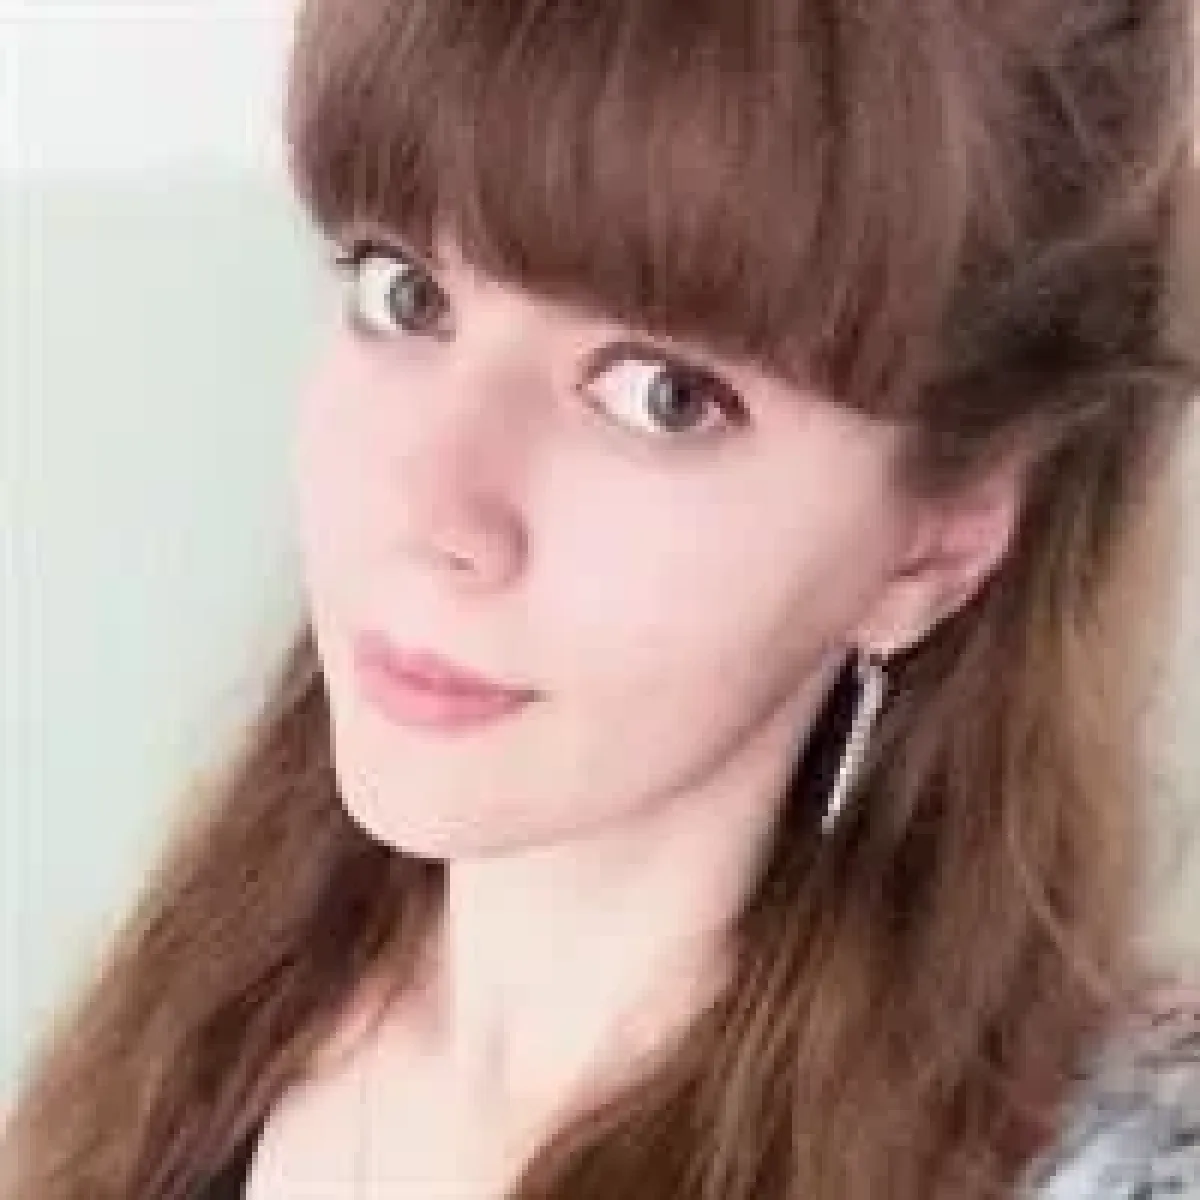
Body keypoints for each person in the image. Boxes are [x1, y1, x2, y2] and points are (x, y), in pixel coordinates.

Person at [4, 0, 1200, 1196]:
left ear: (932, 546)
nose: (433, 515)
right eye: (406, 295)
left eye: (662, 396)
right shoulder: (200, 1031)